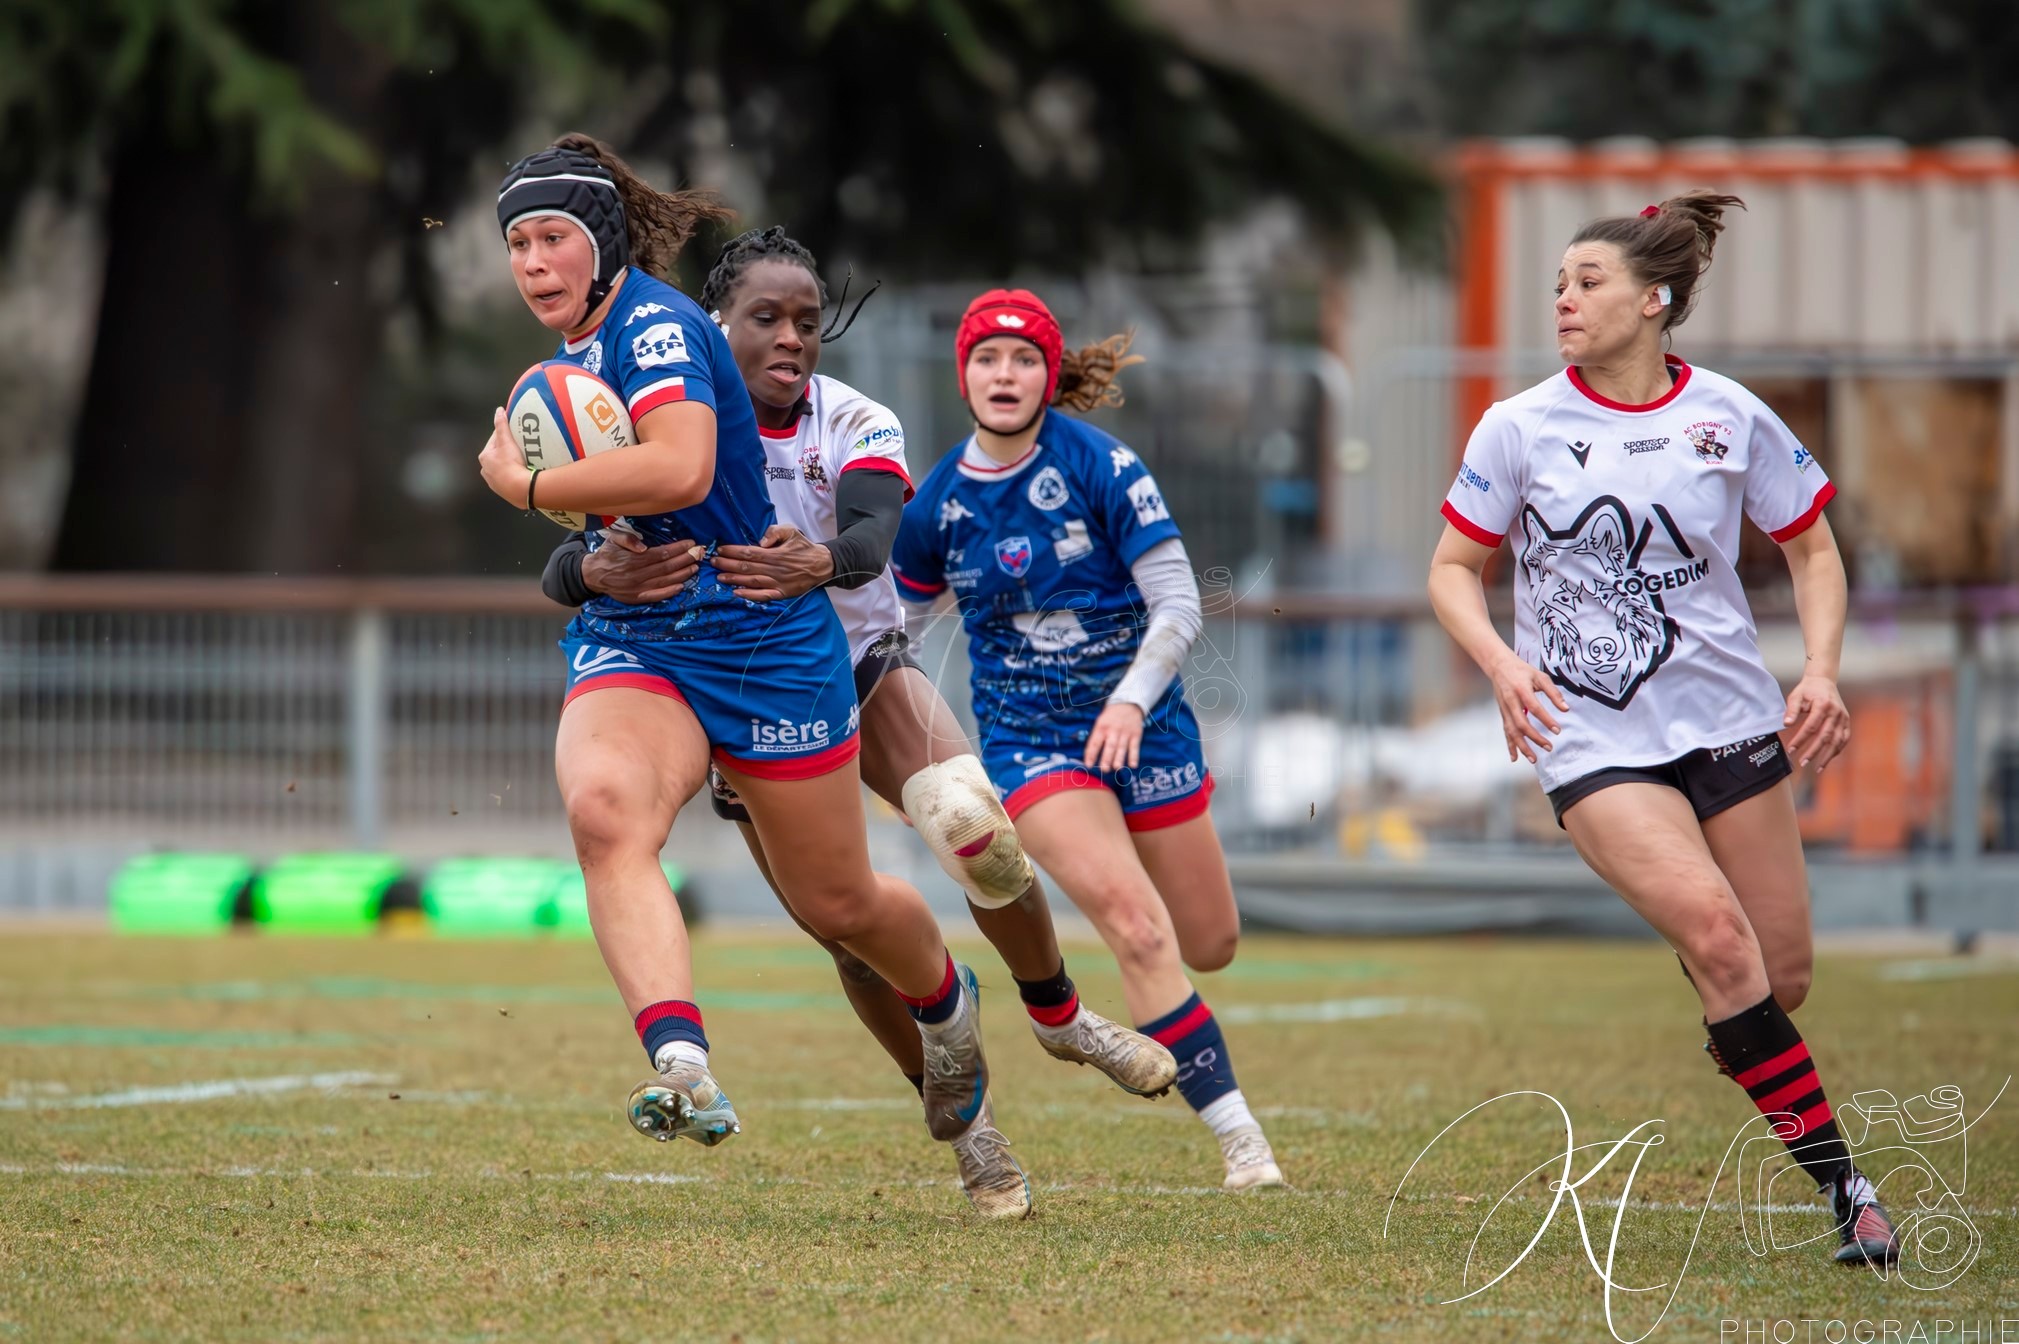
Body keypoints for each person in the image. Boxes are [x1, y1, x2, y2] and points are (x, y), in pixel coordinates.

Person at [539, 227, 1179, 1214]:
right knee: (849, 932)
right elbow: (568, 561)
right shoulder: (654, 423)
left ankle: (1057, 1014)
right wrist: (583, 564)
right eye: (767, 318)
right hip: (727, 691)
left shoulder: (851, 418)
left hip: (860, 670)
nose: (793, 338)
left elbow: (878, 534)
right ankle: (977, 1139)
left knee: (980, 833)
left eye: (806, 322)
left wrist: (820, 560)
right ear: (713, 328)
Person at [474, 136, 1024, 1218]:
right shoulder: (562, 363)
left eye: (552, 239)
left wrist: (526, 486)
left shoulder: (658, 325)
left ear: (601, 242)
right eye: (516, 245)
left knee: (840, 904)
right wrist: (591, 558)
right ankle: (680, 1061)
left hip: (764, 641)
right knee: (604, 813)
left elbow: (677, 466)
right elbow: (601, 521)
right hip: (644, 641)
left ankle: (949, 1006)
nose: (533, 263)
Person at [1426, 192, 1899, 1265]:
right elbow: (1453, 570)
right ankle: (1849, 1192)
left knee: (1780, 979)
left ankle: (1734, 1008)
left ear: (1657, 298)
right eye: (1556, 283)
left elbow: (1813, 550)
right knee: (1721, 939)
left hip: (1731, 721)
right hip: (1589, 739)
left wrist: (1820, 672)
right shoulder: (1519, 425)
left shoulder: (1727, 416)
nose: (1563, 299)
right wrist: (1502, 664)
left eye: (1586, 282)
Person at [888, 289, 1287, 1192]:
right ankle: (1242, 1142)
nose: (1003, 374)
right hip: (1033, 742)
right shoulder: (938, 503)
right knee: (1137, 930)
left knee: (1209, 939)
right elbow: (896, 635)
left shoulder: (1101, 464)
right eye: (986, 359)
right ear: (964, 375)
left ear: (1046, 374)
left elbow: (1178, 602)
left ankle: (1188, 1056)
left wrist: (1132, 703)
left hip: (1144, 726)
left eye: (1022, 358)